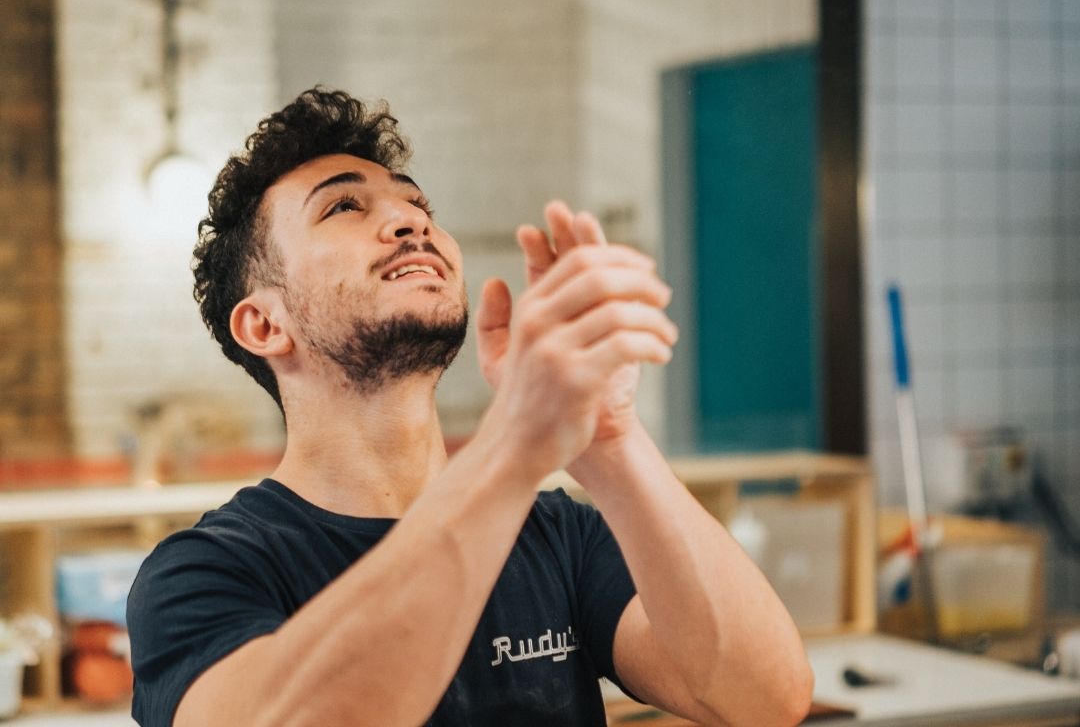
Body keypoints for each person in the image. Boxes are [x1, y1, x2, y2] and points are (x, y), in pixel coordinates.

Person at [127, 87, 813, 727]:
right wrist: (516, 443)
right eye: (344, 207)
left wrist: (607, 435)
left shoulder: (559, 537)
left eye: (417, 205)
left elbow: (763, 697)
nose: (409, 220)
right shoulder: (204, 573)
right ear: (264, 326)